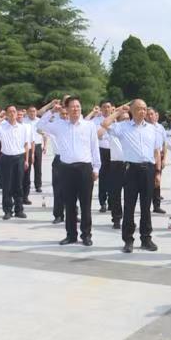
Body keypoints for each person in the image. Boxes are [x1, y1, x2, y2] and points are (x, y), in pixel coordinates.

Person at [39, 96, 101, 246]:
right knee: (69, 204)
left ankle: (86, 235)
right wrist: (52, 111)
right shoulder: (59, 125)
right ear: (66, 109)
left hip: (85, 168)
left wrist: (96, 168)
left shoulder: (89, 126)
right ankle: (71, 235)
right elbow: (40, 125)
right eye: (72, 106)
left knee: (85, 204)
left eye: (78, 106)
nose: (75, 109)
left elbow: (94, 147)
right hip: (66, 169)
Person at [102, 100, 162, 253]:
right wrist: (119, 111)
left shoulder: (153, 129)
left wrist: (158, 172)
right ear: (132, 110)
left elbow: (157, 152)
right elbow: (105, 123)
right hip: (131, 170)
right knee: (129, 206)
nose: (142, 112)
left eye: (144, 109)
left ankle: (146, 238)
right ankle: (128, 240)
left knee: (146, 207)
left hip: (148, 169)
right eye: (139, 109)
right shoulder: (123, 127)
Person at [0, 106, 30, 220]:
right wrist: (0, 115)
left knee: (19, 185)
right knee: (7, 185)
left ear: (17, 113)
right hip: (6, 158)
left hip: (19, 157)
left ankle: (19, 210)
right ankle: (7, 210)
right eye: (10, 112)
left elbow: (26, 144)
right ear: (6, 114)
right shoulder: (2, 126)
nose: (12, 113)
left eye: (14, 111)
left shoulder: (23, 127)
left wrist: (26, 160)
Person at [88, 100, 114, 212]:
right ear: (101, 108)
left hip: (114, 152)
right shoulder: (96, 120)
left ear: (112, 108)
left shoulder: (116, 120)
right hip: (101, 150)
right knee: (102, 178)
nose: (106, 109)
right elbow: (97, 135)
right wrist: (106, 125)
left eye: (108, 107)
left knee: (113, 178)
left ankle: (112, 202)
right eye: (104, 107)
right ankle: (103, 202)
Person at [105, 110, 129, 229]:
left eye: (128, 119)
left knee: (130, 194)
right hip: (116, 164)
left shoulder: (132, 130)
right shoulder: (113, 129)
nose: (126, 121)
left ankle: (128, 218)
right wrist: (118, 112)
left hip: (129, 164)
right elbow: (105, 123)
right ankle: (117, 218)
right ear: (118, 120)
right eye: (123, 119)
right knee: (115, 194)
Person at [147, 108, 168, 215]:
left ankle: (156, 205)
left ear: (156, 115)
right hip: (148, 157)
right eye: (148, 114)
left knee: (157, 181)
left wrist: (164, 159)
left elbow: (164, 144)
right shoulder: (144, 127)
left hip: (158, 156)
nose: (150, 116)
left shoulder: (160, 127)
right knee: (147, 183)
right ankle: (146, 206)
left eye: (152, 114)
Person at [15, 107, 35, 205]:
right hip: (16, 153)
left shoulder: (28, 126)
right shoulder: (12, 126)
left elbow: (32, 141)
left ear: (24, 116)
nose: (19, 116)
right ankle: (17, 197)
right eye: (18, 115)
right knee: (17, 177)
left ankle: (25, 197)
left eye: (21, 115)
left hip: (27, 152)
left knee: (26, 177)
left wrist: (32, 154)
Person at [24, 105, 45, 194]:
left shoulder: (40, 121)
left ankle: (38, 185)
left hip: (38, 145)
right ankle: (26, 185)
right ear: (27, 112)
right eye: (30, 111)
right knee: (27, 167)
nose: (32, 113)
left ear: (36, 112)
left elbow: (44, 134)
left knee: (38, 167)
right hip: (28, 146)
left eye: (34, 111)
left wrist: (45, 146)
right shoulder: (24, 121)